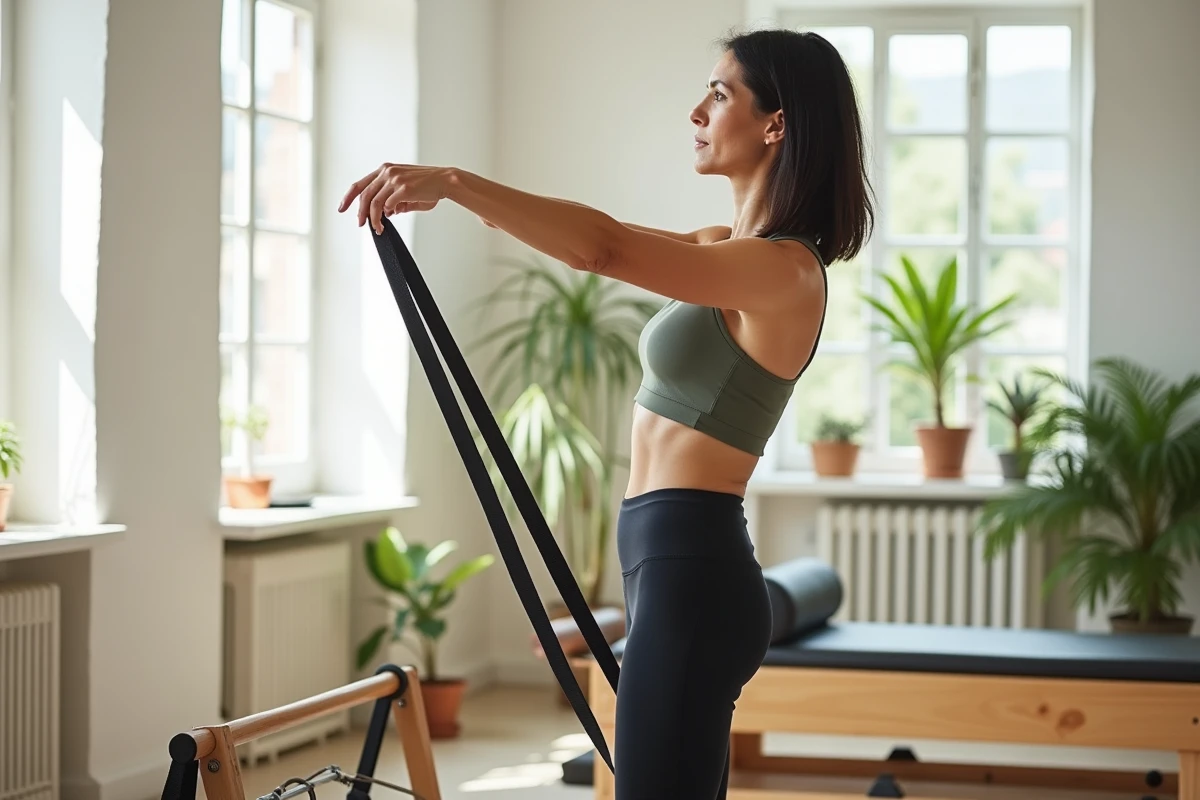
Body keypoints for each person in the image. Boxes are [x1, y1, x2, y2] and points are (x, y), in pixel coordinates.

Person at [339, 25, 874, 800]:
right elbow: (595, 239)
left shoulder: (782, 270)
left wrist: (454, 179)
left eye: (719, 94)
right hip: (668, 567)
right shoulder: (728, 246)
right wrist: (454, 201)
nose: (697, 110)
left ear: (776, 123)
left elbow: (604, 252)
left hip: (693, 572)